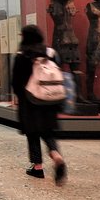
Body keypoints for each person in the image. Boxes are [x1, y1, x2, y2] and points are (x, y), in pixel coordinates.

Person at [11, 25, 67, 186]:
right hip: (50, 99)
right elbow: (58, 72)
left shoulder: (23, 55)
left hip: (30, 99)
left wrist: (19, 96)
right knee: (48, 131)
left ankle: (37, 166)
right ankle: (56, 155)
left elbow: (16, 81)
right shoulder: (50, 53)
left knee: (32, 132)